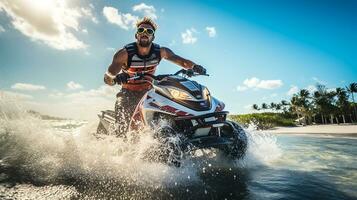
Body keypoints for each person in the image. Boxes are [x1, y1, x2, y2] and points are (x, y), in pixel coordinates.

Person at [104, 17, 206, 136]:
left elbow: (183, 62)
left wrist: (195, 67)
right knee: (123, 128)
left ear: (153, 36)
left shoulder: (161, 52)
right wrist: (115, 78)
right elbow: (107, 79)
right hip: (128, 94)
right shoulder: (124, 54)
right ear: (136, 35)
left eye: (149, 31)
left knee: (168, 114)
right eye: (141, 30)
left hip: (149, 93)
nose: (144, 33)